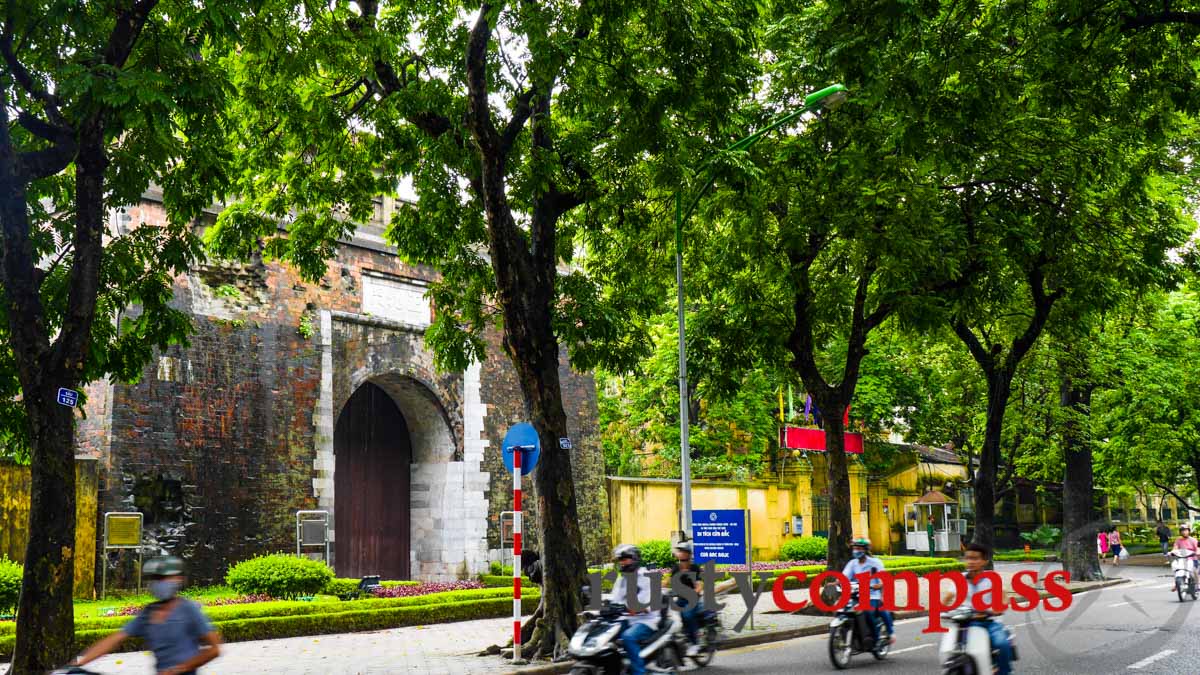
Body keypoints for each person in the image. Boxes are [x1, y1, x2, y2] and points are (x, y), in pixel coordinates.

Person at [72, 556, 221, 675]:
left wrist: (179, 669)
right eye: (155, 579)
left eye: (162, 578)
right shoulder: (148, 613)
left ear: (178, 580)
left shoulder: (188, 609)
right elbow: (115, 638)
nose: (158, 583)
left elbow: (214, 649)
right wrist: (80, 663)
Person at [943, 543, 1012, 675]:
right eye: (967, 558)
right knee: (950, 649)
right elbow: (945, 600)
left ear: (984, 561)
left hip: (989, 623)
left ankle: (1004, 672)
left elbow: (1004, 600)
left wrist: (995, 610)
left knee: (1001, 644)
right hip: (963, 624)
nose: (970, 562)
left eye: (975, 558)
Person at [610, 544, 658, 675]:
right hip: (625, 618)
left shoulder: (646, 577)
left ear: (635, 558)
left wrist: (634, 609)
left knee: (628, 637)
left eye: (625, 558)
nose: (622, 562)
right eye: (620, 559)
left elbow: (647, 604)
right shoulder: (622, 578)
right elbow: (615, 598)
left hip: (646, 620)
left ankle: (639, 672)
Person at [841, 537, 894, 647]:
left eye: (859, 548)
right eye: (855, 548)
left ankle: (875, 638)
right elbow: (845, 576)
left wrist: (878, 585)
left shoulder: (875, 563)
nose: (856, 550)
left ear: (865, 550)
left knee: (868, 612)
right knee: (841, 610)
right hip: (855, 595)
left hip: (872, 596)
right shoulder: (852, 563)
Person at [669, 541, 703, 656]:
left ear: (688, 554)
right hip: (680, 599)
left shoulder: (694, 568)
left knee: (687, 615)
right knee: (669, 617)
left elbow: (699, 585)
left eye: (682, 551)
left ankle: (695, 643)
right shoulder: (675, 568)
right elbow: (667, 583)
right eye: (679, 551)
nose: (680, 553)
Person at [1171, 525, 1200, 590]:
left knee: (1194, 570)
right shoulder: (1178, 540)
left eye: (1186, 530)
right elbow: (1175, 548)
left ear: (1189, 531)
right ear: (1180, 532)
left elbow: (1197, 548)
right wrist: (1172, 552)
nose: (1184, 532)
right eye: (1182, 531)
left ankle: (1198, 584)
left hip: (1192, 559)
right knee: (1176, 568)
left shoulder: (1193, 540)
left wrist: (1197, 552)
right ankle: (1177, 583)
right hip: (1182, 559)